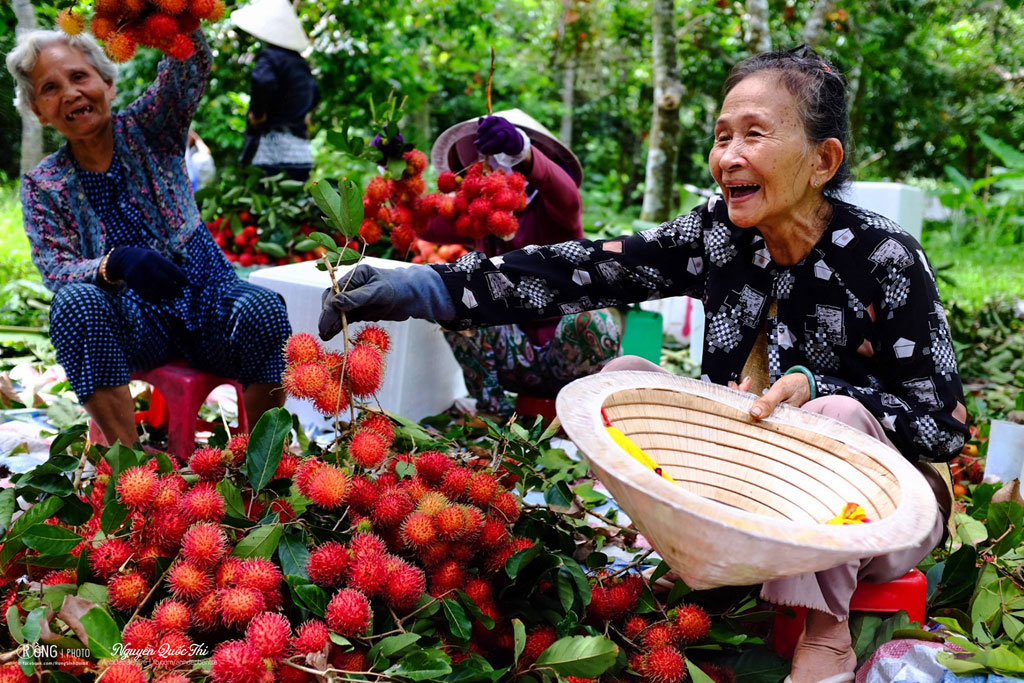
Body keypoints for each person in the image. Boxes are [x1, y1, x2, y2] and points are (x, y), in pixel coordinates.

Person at [321, 45, 968, 682]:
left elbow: (943, 425)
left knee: (832, 413)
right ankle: (685, 557)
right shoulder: (721, 233)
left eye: (753, 134)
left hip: (883, 513)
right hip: (747, 494)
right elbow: (584, 267)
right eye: (721, 136)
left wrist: (817, 387)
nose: (728, 156)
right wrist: (426, 288)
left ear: (822, 159)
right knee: (622, 374)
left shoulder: (886, 258)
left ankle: (824, 638)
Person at [7, 27, 291, 451]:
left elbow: (189, 66)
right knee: (73, 304)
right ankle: (132, 469)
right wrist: (114, 263)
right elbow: (55, 267)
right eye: (51, 88)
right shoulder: (45, 183)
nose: (70, 93)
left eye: (79, 77)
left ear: (108, 83)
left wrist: (165, 18)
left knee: (263, 307)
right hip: (132, 329)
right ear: (39, 111)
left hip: (205, 301)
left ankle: (264, 459)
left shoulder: (152, 127)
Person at [421, 110, 620, 416]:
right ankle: (494, 416)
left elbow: (568, 196)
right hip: (513, 353)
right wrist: (398, 170)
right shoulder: (479, 217)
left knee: (596, 319)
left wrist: (523, 153)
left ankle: (591, 414)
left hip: (566, 351)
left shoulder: (555, 211)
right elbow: (424, 223)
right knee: (456, 300)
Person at [231, 0, 319, 182]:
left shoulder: (270, 58)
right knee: (295, 204)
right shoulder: (301, 64)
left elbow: (263, 80)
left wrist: (258, 113)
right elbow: (315, 93)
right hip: (299, 151)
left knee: (262, 202)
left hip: (271, 150)